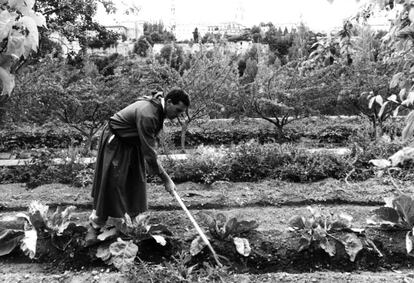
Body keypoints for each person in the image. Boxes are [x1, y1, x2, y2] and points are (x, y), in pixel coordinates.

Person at [86, 89, 190, 245]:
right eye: (178, 110)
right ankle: (95, 226)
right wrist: (166, 179)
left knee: (136, 182)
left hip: (132, 144)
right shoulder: (148, 114)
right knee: (111, 184)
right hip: (116, 142)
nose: (179, 115)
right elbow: (149, 153)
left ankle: (133, 224)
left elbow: (148, 147)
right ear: (168, 102)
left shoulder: (158, 110)